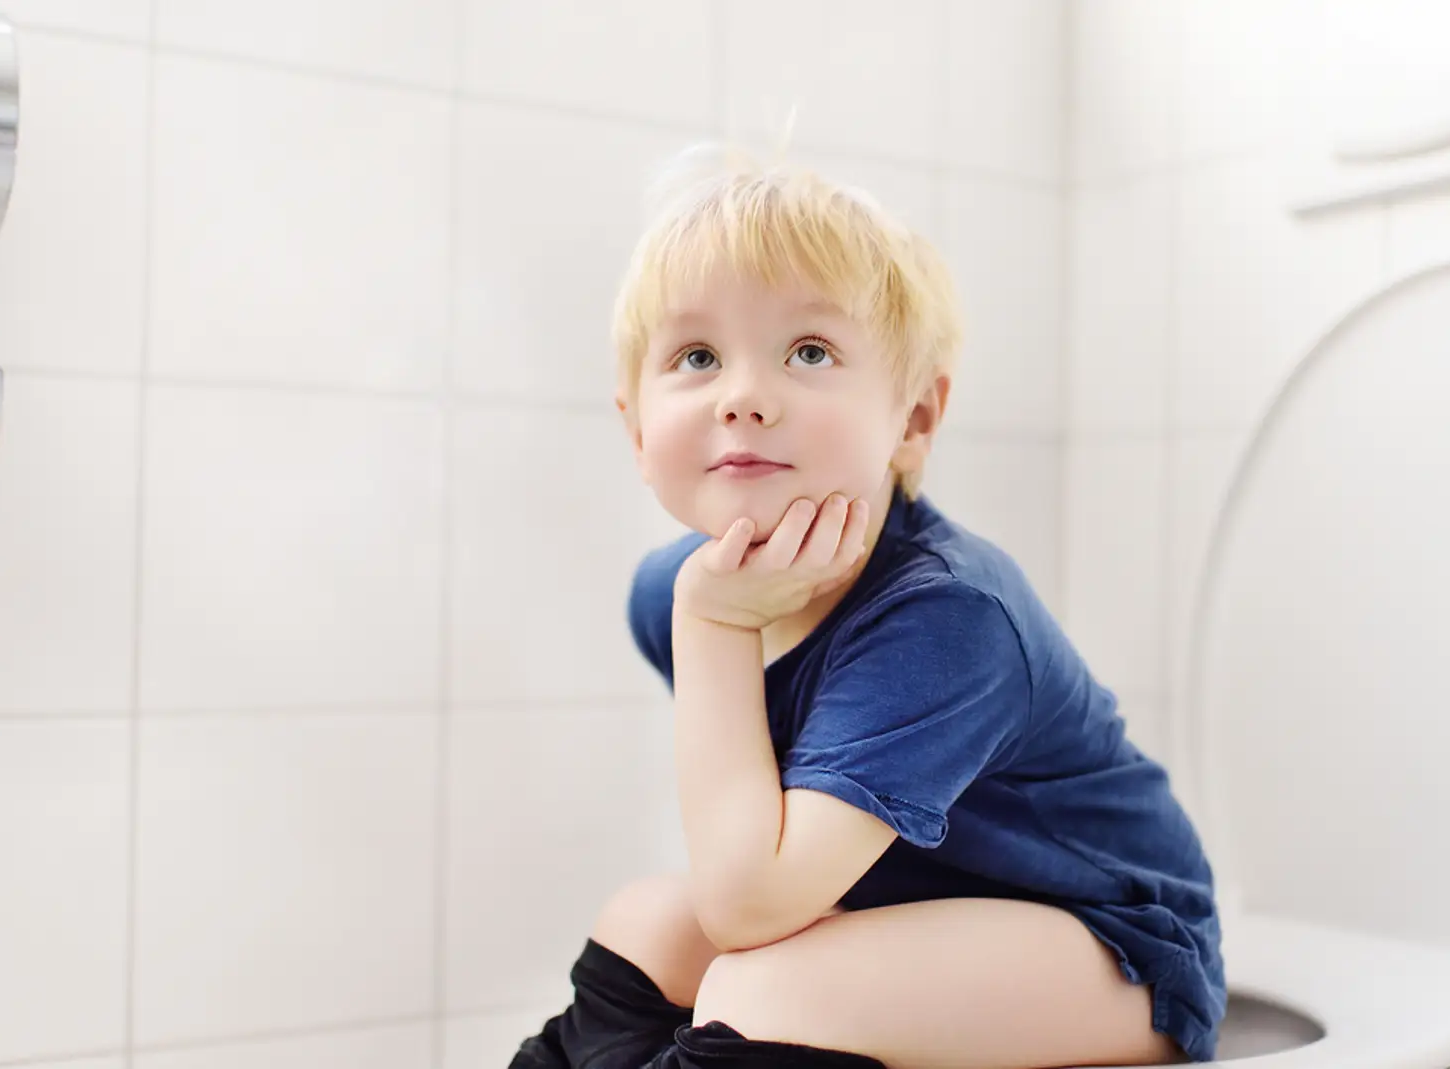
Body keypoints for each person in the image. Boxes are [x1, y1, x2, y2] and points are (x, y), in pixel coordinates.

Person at [510, 144, 1224, 1069]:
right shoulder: (669, 595)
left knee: (760, 989)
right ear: (637, 428)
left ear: (914, 419)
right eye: (696, 355)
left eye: (808, 350)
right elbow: (754, 850)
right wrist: (709, 617)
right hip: (898, 905)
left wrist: (716, 624)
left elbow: (751, 900)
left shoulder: (946, 619)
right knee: (646, 923)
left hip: (1113, 949)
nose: (744, 397)